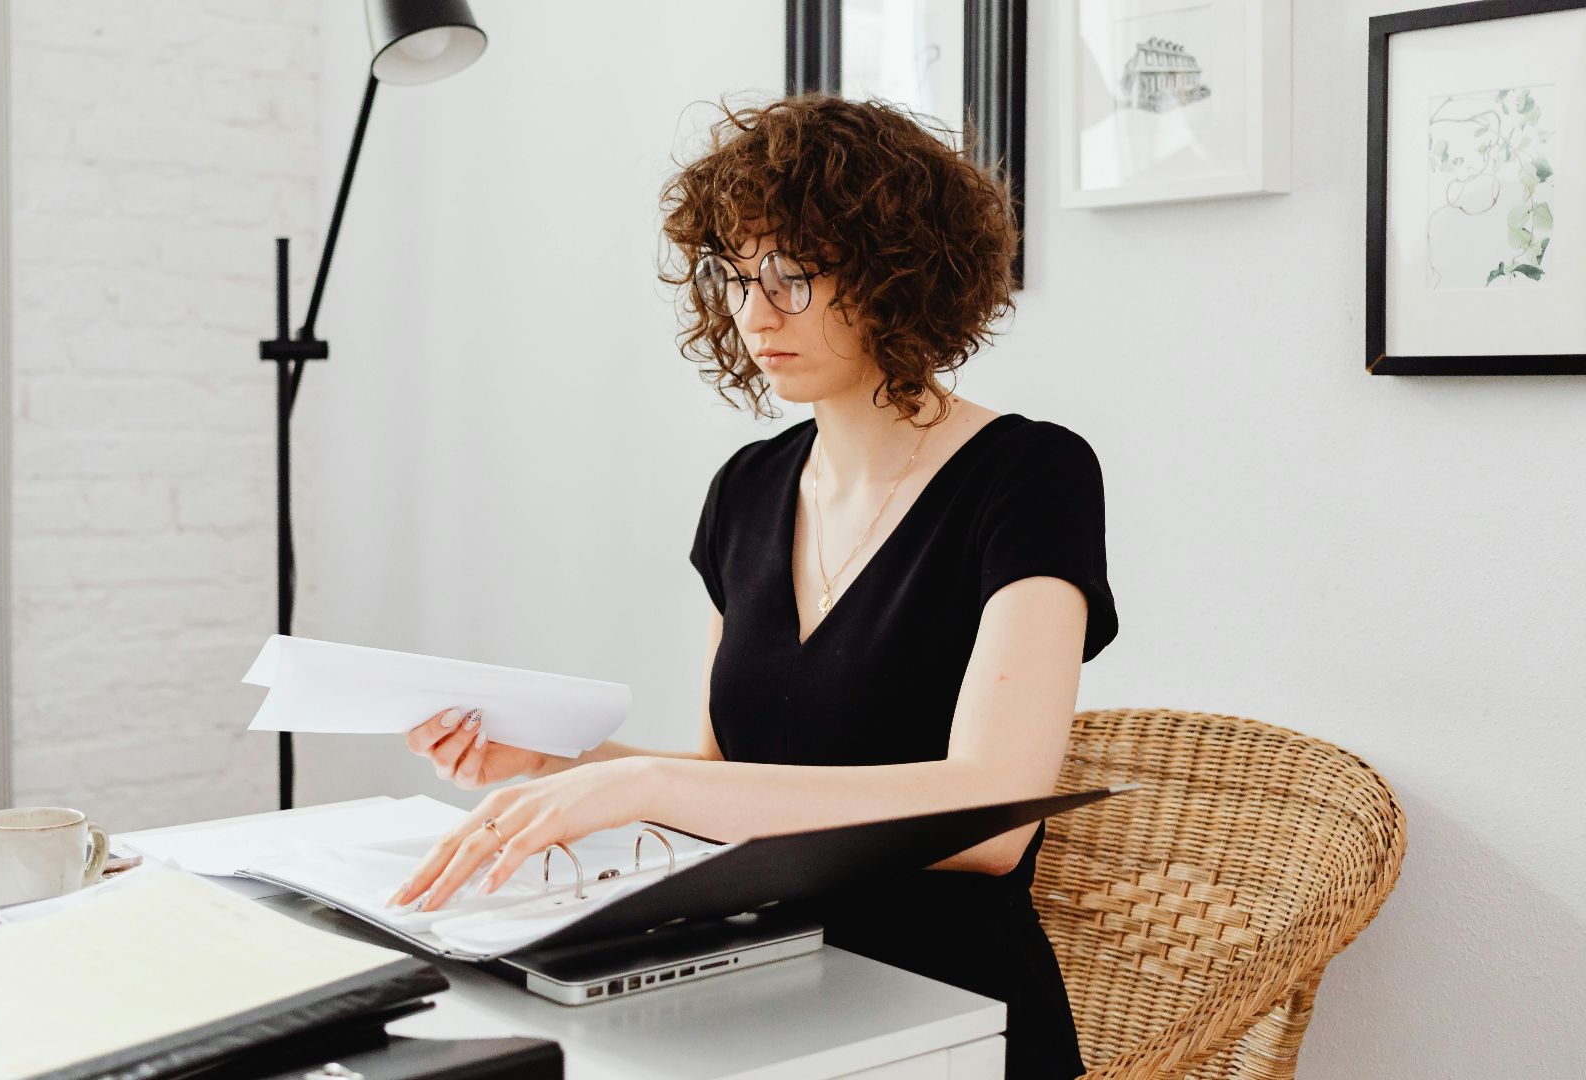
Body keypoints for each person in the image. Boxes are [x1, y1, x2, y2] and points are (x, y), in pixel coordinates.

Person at [385, 95, 1116, 1080]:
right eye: (733, 275)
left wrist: (640, 781)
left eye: (792, 275)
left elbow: (994, 813)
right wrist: (557, 760)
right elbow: (726, 775)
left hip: (947, 1015)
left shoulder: (1030, 475)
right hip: (755, 993)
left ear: (900, 274)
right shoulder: (748, 490)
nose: (753, 311)